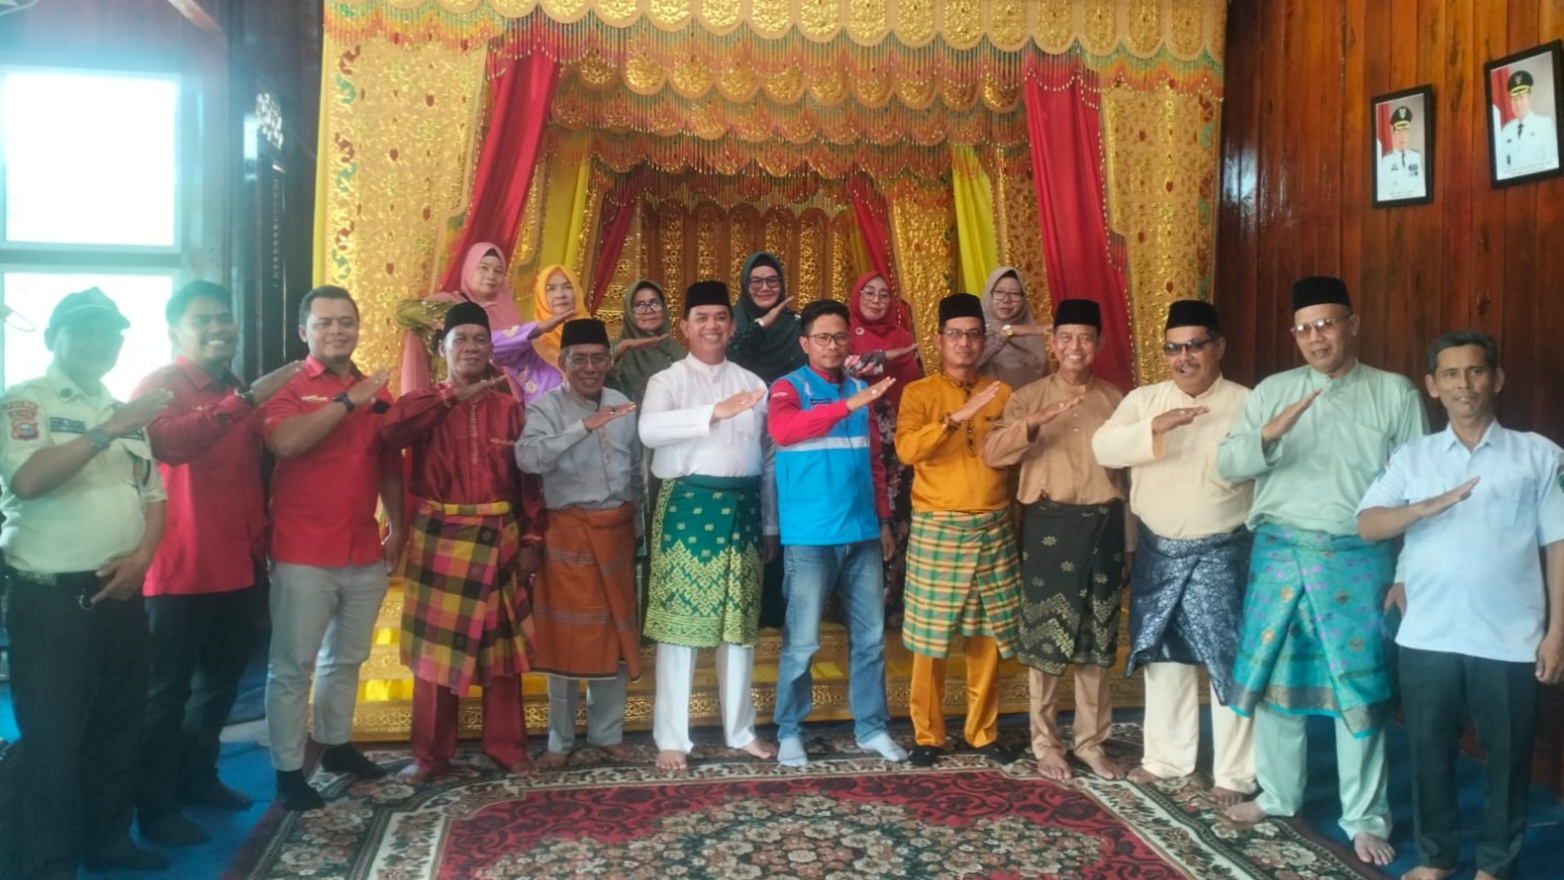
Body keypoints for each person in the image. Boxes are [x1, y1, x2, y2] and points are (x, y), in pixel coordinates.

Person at [1217, 275, 1427, 866]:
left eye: (1327, 324)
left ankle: (1364, 817)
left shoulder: (1394, 393)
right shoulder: (1273, 391)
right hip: (1279, 555)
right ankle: (1279, 795)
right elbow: (1227, 464)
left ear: (1352, 325)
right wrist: (1270, 433)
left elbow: (1421, 487)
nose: (1316, 337)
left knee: (1357, 692)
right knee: (1275, 687)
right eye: (1304, 329)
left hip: (1357, 560)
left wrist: (1406, 571)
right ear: (1295, 335)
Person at [1358, 329, 1564, 880]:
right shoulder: (1413, 458)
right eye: (1450, 374)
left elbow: (1559, 544)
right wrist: (1422, 508)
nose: (1463, 384)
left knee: (1508, 760)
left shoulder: (1539, 455)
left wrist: (1556, 632)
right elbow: (1369, 524)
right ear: (1432, 385)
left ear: (1497, 379)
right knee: (1428, 752)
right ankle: (1436, 859)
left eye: (1475, 371)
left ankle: (1496, 866)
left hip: (1511, 638)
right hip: (1428, 635)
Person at [1, 289, 173, 877]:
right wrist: (108, 429)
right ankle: (48, 862)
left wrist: (143, 559)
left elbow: (153, 497)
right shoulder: (26, 401)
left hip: (121, 596)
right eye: (86, 331)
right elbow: (28, 481)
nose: (101, 343)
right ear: (55, 338)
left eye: (111, 333)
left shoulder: (123, 409)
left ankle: (108, 840)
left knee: (119, 726)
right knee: (52, 737)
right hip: (52, 601)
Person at [131, 282, 302, 846]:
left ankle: (198, 777)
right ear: (174, 330)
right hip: (178, 568)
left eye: (224, 319)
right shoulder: (160, 385)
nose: (218, 329)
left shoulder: (235, 387)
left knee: (218, 686)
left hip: (238, 563)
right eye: (203, 320)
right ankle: (155, 805)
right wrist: (246, 400)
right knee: (166, 694)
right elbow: (171, 444)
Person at [1092, 300, 1256, 806]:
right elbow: (1103, 447)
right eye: (1173, 348)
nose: (1184, 357)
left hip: (1223, 553)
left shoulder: (1249, 402)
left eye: (1195, 345)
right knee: (1164, 658)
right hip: (1160, 550)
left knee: (1230, 661)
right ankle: (1166, 758)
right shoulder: (1144, 400)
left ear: (1218, 347)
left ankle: (1236, 772)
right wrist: (1157, 427)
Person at [380, 301, 543, 782]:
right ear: (442, 348)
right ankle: (430, 755)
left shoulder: (511, 409)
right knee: (435, 658)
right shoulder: (421, 403)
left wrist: (532, 537)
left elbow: (529, 480)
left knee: (503, 655)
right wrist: (450, 396)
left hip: (500, 538)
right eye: (461, 339)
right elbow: (389, 434)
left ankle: (508, 748)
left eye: (479, 339)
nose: (471, 347)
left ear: (491, 348)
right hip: (440, 539)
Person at [262, 285, 406, 811]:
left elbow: (390, 465)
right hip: (302, 550)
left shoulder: (377, 393)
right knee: (292, 666)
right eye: (325, 322)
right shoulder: (288, 385)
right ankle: (287, 771)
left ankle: (337, 744)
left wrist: (398, 527)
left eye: (346, 321)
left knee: (346, 658)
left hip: (363, 548)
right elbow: (286, 442)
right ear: (305, 331)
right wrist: (349, 402)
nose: (337, 330)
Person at [982, 298, 1129, 781]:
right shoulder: (1027, 397)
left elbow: (1131, 473)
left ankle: (1091, 743)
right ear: (1053, 342)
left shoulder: (1118, 400)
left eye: (1085, 338)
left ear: (1099, 343)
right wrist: (1032, 422)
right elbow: (993, 454)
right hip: (1049, 527)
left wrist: (1131, 540)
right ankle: (1046, 744)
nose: (1075, 347)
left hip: (1105, 525)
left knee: (1097, 640)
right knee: (1046, 639)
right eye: (1066, 337)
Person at [639, 280, 779, 772]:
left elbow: (768, 457)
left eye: (720, 316)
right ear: (685, 327)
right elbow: (649, 431)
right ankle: (672, 737)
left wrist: (770, 525)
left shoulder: (754, 384)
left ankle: (740, 731)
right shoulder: (668, 381)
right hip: (689, 509)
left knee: (738, 627)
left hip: (744, 511)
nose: (712, 325)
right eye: (701, 318)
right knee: (680, 627)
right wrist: (713, 413)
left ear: (732, 325)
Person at [769, 299, 907, 768]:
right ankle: (790, 731)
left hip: (863, 533)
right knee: (802, 642)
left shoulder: (859, 389)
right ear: (805, 343)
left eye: (840, 336)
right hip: (810, 537)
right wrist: (846, 405)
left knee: (869, 640)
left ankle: (871, 728)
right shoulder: (787, 388)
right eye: (823, 337)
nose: (832, 345)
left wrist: (883, 521)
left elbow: (874, 463)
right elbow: (784, 431)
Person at [895, 292, 1022, 769]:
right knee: (929, 642)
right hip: (939, 527)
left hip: (992, 524)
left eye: (973, 335)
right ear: (939, 340)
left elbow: (1014, 455)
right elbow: (908, 451)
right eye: (955, 335)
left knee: (986, 637)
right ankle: (927, 735)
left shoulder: (1002, 393)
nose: (964, 343)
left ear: (984, 340)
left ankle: (982, 732)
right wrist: (955, 420)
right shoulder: (919, 393)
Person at [517, 318, 645, 769]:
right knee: (565, 641)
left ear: (609, 361)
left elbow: (635, 471)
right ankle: (559, 741)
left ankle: (608, 733)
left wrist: (638, 521)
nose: (590, 367)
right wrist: (583, 428)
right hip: (567, 534)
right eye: (580, 359)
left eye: (598, 358)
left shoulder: (623, 404)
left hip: (617, 532)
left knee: (614, 637)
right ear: (562, 362)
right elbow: (527, 458)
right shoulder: (545, 408)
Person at [726, 252, 804, 629]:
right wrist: (761, 324)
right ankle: (744, 607)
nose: (764, 287)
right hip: (742, 436)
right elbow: (730, 356)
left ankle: (777, 607)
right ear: (744, 284)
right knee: (750, 515)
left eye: (772, 280)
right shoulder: (733, 323)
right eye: (755, 281)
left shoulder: (797, 326)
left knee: (784, 516)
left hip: (791, 437)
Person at [846, 272, 922, 624]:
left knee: (899, 521)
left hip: (900, 440)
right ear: (856, 296)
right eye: (869, 293)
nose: (876, 300)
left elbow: (915, 383)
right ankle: (857, 608)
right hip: (859, 437)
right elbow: (842, 365)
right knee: (868, 517)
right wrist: (886, 356)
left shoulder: (902, 335)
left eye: (884, 294)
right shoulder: (845, 333)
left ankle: (893, 606)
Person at [397, 242, 528, 398]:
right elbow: (403, 312)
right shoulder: (447, 301)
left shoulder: (510, 314)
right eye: (483, 268)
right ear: (470, 268)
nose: (491, 276)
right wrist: (464, 312)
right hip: (449, 399)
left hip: (494, 401)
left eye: (498, 271)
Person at [608, 279, 683, 405]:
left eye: (655, 303)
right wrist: (624, 347)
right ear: (629, 312)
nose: (648, 311)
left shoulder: (674, 350)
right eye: (639, 305)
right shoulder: (616, 349)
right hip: (628, 416)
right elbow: (594, 375)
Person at [977, 266, 1050, 391]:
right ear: (989, 293)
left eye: (1015, 294)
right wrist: (1008, 332)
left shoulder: (1033, 333)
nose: (1006, 300)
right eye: (999, 292)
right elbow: (969, 363)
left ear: (1024, 298)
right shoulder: (975, 331)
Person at [1497, 69, 1559, 179]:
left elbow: (1552, 164)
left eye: (1521, 97)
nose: (1518, 103)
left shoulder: (1544, 124)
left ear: (1529, 98)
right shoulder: (1506, 131)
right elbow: (1502, 170)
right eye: (1514, 99)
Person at [1378, 105, 1426, 201]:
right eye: (1399, 132)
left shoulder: (1416, 157)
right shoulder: (1386, 161)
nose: (1403, 136)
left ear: (1409, 134)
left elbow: (1421, 189)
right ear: (1394, 134)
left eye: (1406, 131)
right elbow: (1383, 193)